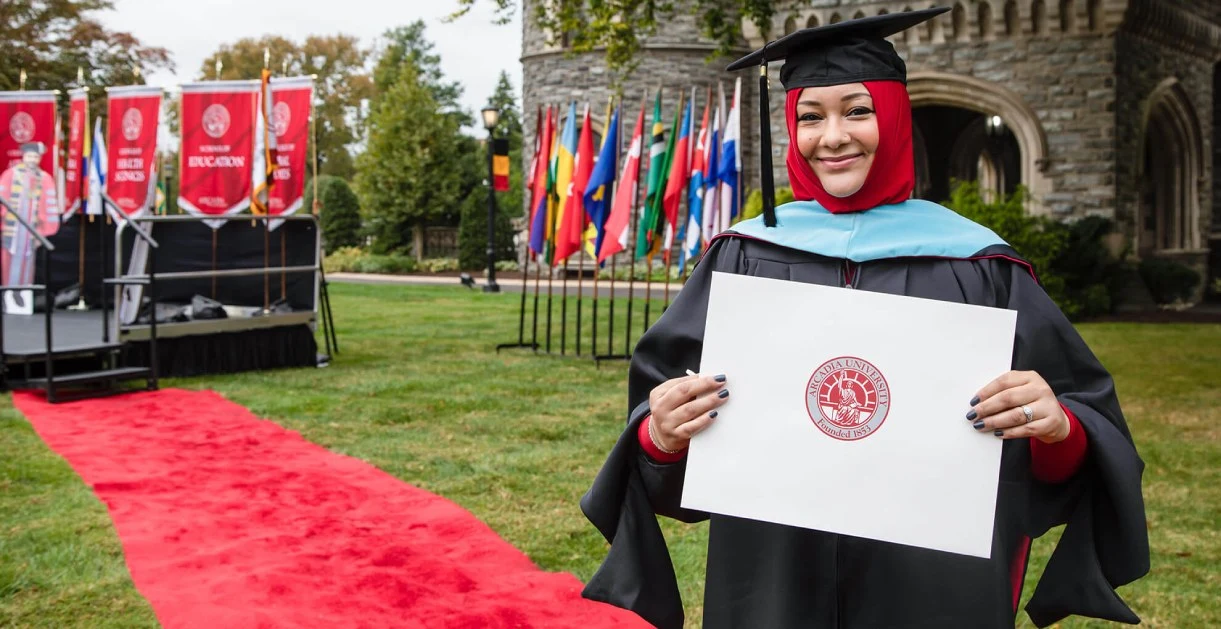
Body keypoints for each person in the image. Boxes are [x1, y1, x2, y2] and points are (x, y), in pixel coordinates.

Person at [580, 9, 1148, 629]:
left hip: (934, 580)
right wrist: (660, 436)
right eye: (810, 115)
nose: (832, 137)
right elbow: (660, 439)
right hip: (772, 576)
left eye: (857, 110)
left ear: (895, 116)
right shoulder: (743, 257)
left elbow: (1080, 432)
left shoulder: (981, 264)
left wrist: (1056, 427)